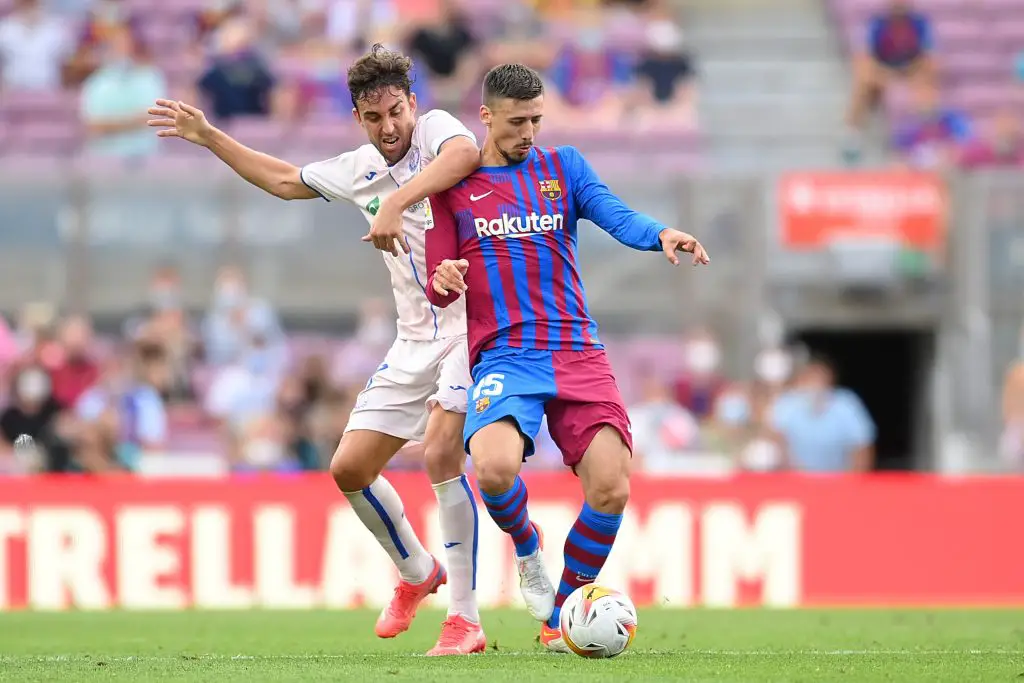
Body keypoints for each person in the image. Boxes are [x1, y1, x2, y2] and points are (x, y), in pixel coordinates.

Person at [146, 44, 484, 656]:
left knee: (440, 452)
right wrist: (209, 136)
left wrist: (400, 203)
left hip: (471, 326)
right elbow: (282, 180)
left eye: (396, 112)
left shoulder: (437, 132)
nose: (389, 127)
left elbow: (467, 155)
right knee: (349, 468)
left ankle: (465, 618)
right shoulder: (359, 168)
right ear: (358, 117)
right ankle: (416, 571)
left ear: (413, 103)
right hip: (414, 339)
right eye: (375, 117)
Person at [421, 63, 708, 652]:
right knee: (494, 468)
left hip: (577, 349)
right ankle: (528, 549)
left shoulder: (564, 168)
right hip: (505, 353)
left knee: (610, 488)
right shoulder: (453, 190)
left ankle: (560, 618)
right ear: (487, 116)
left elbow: (616, 214)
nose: (529, 131)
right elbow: (436, 280)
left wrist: (661, 235)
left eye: (537, 119)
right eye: (518, 121)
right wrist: (446, 277)